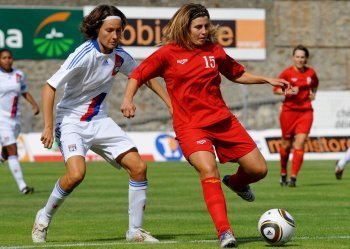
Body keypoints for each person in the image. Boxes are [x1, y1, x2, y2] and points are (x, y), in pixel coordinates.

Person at [120, 4, 290, 248]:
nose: (203, 31)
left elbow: (236, 73)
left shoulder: (214, 51)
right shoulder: (167, 54)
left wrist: (266, 79)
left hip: (223, 121)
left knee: (259, 169)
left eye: (206, 26)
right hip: (190, 127)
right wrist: (127, 98)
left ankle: (237, 183)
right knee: (209, 170)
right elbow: (137, 74)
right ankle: (225, 232)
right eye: (198, 27)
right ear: (184, 28)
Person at [31, 5, 171, 243]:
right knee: (76, 175)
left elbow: (143, 76)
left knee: (138, 168)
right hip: (72, 121)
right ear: (97, 29)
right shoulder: (83, 54)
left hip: (100, 120)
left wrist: (170, 105)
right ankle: (43, 217)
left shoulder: (120, 56)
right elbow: (49, 86)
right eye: (110, 30)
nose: (115, 36)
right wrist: (48, 125)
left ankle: (135, 231)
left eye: (119, 31)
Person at [273, 45, 319, 187]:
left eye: (302, 57)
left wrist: (313, 93)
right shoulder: (287, 73)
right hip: (289, 112)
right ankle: (283, 172)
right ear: (293, 58)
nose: (300, 59)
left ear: (306, 58)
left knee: (300, 143)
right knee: (286, 145)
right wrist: (287, 92)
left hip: (306, 112)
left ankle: (293, 177)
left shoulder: (311, 73)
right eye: (297, 57)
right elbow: (275, 89)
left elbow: (315, 84)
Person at [0, 48, 39, 195]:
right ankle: (23, 186)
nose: (7, 60)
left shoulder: (18, 75)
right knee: (12, 150)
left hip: (15, 119)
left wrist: (34, 104)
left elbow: (24, 91)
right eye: (4, 58)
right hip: (1, 119)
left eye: (9, 57)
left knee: (5, 153)